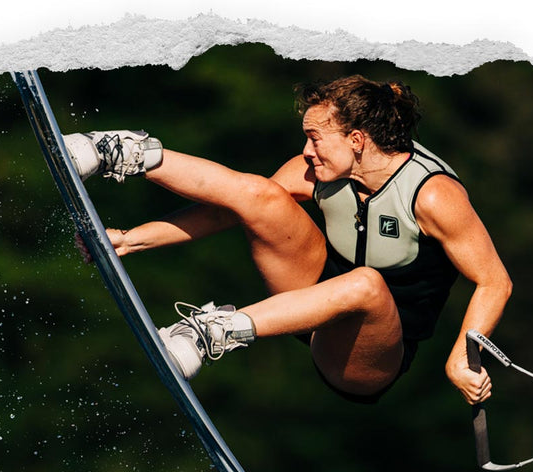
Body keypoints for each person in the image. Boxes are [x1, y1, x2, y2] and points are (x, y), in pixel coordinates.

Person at [64, 75, 510, 405]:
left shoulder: (432, 195)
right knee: (260, 194)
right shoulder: (318, 170)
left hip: (364, 356)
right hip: (307, 298)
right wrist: (132, 240)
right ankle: (119, 151)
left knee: (367, 284)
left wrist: (462, 357)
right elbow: (229, 209)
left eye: (315, 138)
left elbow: (494, 282)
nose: (307, 151)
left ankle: (212, 334)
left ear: (357, 140)